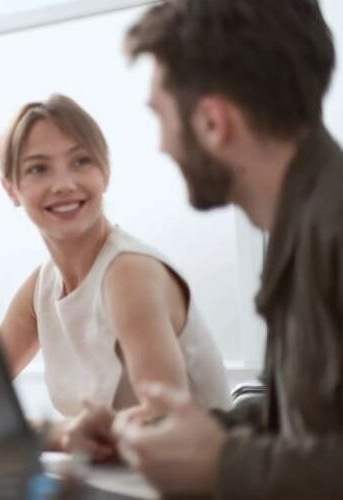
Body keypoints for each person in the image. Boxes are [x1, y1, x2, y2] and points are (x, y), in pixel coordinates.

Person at [114, 0, 343, 497]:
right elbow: (302, 419)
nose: (161, 146)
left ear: (214, 123)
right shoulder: (306, 222)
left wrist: (223, 463)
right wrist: (166, 438)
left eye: (161, 116)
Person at [0, 94, 229, 459]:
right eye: (38, 168)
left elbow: (163, 424)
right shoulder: (42, 285)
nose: (64, 183)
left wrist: (50, 434)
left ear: (105, 172)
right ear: (10, 188)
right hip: (119, 481)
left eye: (81, 162)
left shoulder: (128, 271)